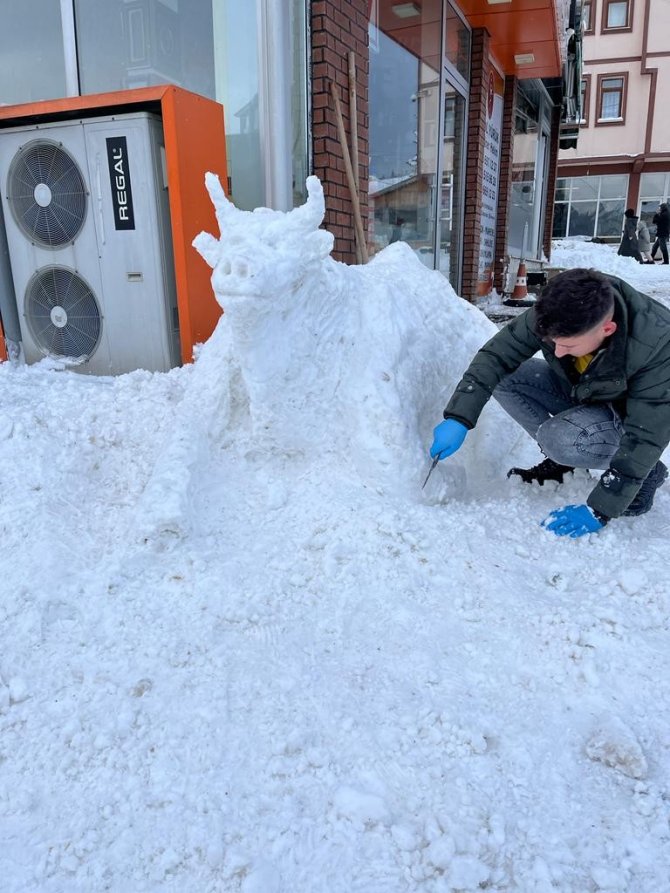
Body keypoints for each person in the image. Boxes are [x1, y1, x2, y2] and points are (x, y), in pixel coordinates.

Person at [429, 268, 670, 538]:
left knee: (560, 438)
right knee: (507, 378)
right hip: (585, 390)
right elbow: (496, 357)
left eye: (567, 345)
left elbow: (645, 437)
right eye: (551, 342)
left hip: (627, 419)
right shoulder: (558, 309)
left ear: (607, 329)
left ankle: (648, 474)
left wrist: (601, 509)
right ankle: (564, 462)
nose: (556, 352)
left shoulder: (658, 345)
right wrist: (459, 417)